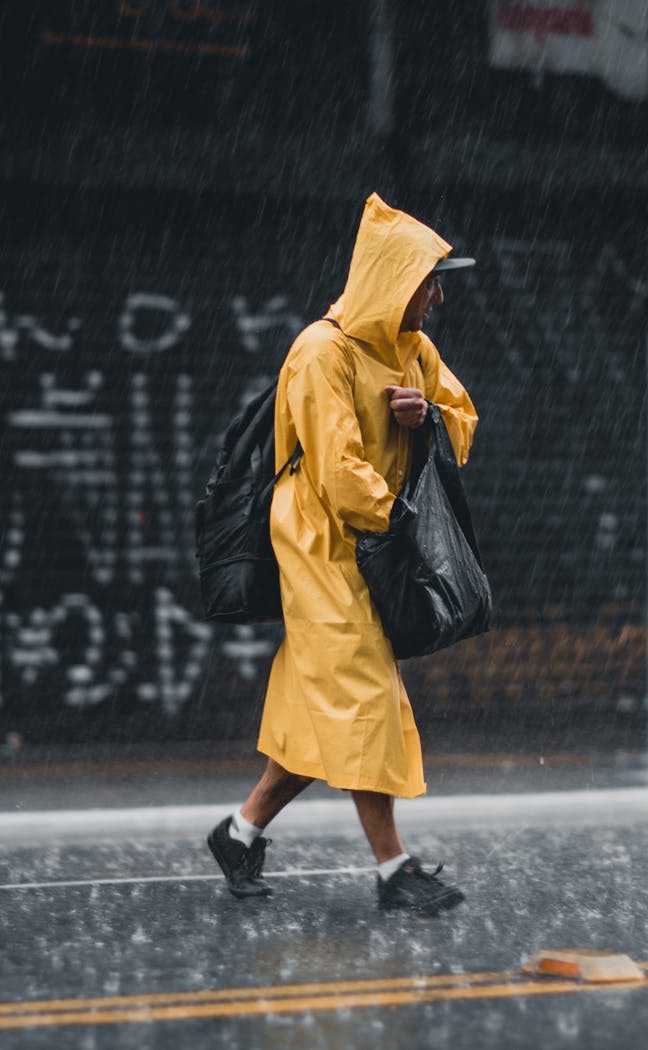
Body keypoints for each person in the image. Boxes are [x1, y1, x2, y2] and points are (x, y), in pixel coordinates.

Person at [207, 192, 479, 917]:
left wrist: (427, 420)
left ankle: (239, 832)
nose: (440, 295)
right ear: (395, 282)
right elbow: (335, 468)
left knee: (316, 712)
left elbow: (463, 419)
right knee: (363, 697)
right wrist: (399, 524)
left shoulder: (412, 350)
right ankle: (394, 870)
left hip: (373, 544)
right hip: (323, 548)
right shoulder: (320, 352)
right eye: (430, 281)